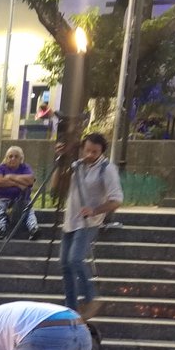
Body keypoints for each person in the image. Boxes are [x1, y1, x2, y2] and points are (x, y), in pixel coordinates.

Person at [53, 133, 123, 320]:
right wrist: (61, 162)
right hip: (71, 220)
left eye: (95, 151)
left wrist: (95, 210)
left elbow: (116, 200)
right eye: (88, 150)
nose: (90, 154)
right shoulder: (76, 166)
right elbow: (56, 187)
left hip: (88, 222)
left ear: (102, 152)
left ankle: (92, 298)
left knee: (75, 259)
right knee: (64, 263)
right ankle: (72, 308)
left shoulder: (107, 169)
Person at [0, 146, 38, 240]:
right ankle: (1, 230)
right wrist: (18, 183)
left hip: (21, 199)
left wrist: (9, 177)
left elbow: (30, 180)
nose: (13, 159)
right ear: (6, 158)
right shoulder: (0, 168)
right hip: (2, 199)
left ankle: (34, 229)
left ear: (21, 159)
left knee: (29, 211)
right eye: (10, 156)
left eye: (16, 156)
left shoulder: (25, 168)